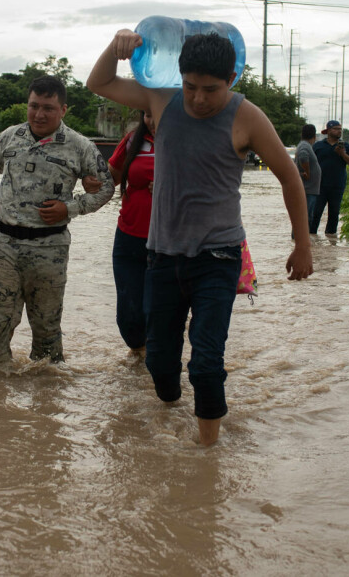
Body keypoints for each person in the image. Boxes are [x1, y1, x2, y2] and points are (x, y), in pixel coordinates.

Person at [86, 30, 313, 446]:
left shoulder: (248, 117)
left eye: (211, 89)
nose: (199, 99)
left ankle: (207, 457)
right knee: (160, 365)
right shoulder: (162, 100)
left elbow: (289, 178)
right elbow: (98, 84)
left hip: (219, 257)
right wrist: (115, 47)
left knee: (207, 363)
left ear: (231, 78)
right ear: (179, 77)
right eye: (190, 87)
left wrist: (302, 244)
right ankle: (170, 415)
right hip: (162, 257)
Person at [0, 75, 114, 365]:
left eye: (48, 108)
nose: (39, 114)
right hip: (4, 246)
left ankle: (46, 398)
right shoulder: (10, 136)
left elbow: (106, 187)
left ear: (63, 110)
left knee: (46, 330)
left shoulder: (79, 146)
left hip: (50, 249)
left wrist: (70, 208)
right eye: (33, 106)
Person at [108, 111, 156, 355]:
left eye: (159, 113)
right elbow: (110, 180)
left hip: (169, 244)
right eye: (148, 115)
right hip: (128, 239)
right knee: (128, 314)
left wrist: (170, 184)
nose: (153, 120)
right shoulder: (131, 141)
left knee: (159, 311)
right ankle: (138, 356)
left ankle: (153, 367)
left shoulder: (186, 141)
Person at [310, 120, 349, 236]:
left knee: (334, 214)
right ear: (328, 131)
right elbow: (310, 163)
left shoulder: (345, 146)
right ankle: (311, 239)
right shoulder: (318, 146)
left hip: (337, 186)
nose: (339, 131)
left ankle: (331, 240)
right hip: (320, 186)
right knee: (316, 213)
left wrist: (342, 154)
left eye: (340, 129)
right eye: (336, 129)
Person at [295, 123, 321, 230]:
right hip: (307, 190)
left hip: (308, 189)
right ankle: (302, 243)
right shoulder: (305, 146)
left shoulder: (303, 145)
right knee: (305, 219)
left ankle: (302, 243)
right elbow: (303, 155)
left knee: (304, 218)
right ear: (314, 136)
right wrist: (307, 172)